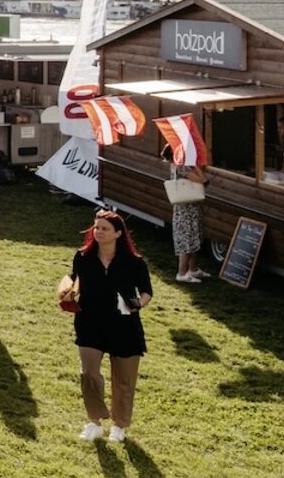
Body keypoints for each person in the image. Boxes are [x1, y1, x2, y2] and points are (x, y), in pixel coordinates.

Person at [57, 210, 153, 443]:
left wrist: (136, 305)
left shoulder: (134, 262)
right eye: (96, 227)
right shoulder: (83, 257)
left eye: (104, 228)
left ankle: (119, 426)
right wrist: (68, 293)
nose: (98, 232)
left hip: (125, 325)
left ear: (118, 233)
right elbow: (75, 280)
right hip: (90, 321)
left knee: (124, 380)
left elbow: (146, 291)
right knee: (88, 373)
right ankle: (94, 422)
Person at [163, 145, 209, 283]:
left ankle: (193, 269)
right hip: (187, 209)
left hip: (188, 207)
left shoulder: (175, 165)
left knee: (193, 237)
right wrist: (195, 165)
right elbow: (203, 180)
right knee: (186, 239)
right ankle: (182, 273)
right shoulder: (182, 167)